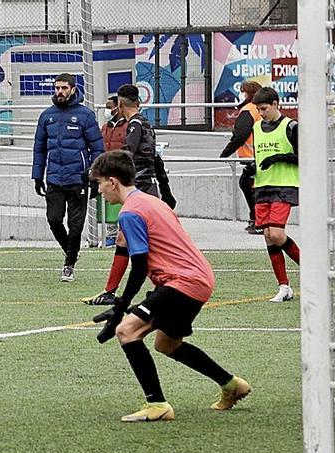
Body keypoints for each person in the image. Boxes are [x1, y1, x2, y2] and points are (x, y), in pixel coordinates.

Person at [90, 149, 251, 422]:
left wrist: (119, 308)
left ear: (112, 181)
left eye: (99, 183)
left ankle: (157, 404)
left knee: (127, 332)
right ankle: (232, 384)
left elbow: (139, 266)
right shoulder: (152, 202)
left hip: (181, 282)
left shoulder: (130, 213)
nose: (99, 190)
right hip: (199, 279)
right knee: (167, 344)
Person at [86, 83, 165, 306]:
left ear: (120, 104)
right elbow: (156, 159)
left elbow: (126, 154)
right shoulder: (147, 123)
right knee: (125, 238)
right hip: (149, 187)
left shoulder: (134, 125)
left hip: (139, 189)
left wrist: (102, 170)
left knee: (141, 241)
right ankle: (111, 290)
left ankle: (115, 290)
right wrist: (165, 190)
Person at [32, 73, 104, 282]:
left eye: (64, 88)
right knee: (53, 219)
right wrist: (37, 176)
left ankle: (68, 265)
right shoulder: (47, 116)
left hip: (77, 180)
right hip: (54, 178)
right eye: (57, 88)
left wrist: (93, 176)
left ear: (73, 89)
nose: (60, 92)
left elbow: (97, 148)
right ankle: (71, 251)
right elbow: (39, 149)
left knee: (76, 226)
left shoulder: (85, 115)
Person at [250, 87, 300, 302]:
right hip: (262, 187)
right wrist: (252, 168)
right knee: (269, 237)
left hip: (284, 185)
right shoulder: (257, 127)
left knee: (277, 234)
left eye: (264, 109)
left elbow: (303, 157)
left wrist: (280, 157)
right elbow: (259, 155)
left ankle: (312, 273)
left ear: (275, 104)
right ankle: (283, 287)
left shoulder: (291, 126)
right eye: (258, 110)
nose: (261, 113)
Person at [220, 81, 264, 235]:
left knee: (249, 186)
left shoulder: (248, 111)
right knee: (248, 185)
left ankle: (258, 221)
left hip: (254, 158)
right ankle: (256, 219)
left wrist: (225, 153)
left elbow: (240, 135)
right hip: (261, 156)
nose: (240, 94)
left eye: (242, 91)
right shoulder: (259, 110)